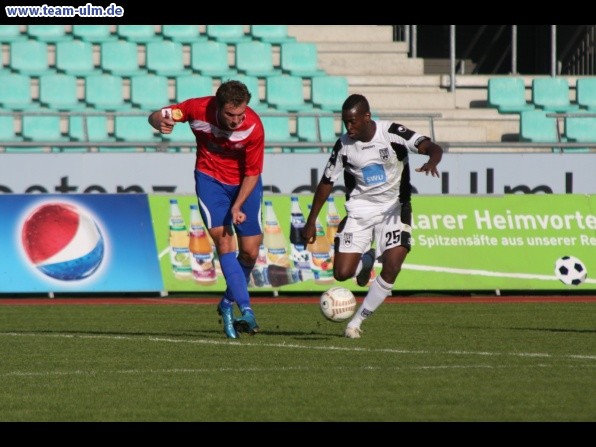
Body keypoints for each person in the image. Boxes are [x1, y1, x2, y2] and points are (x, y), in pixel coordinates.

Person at [302, 94, 443, 339]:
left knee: (392, 266)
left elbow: (431, 146)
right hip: (360, 210)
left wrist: (432, 159)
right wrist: (311, 220)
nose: (349, 127)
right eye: (345, 122)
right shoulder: (343, 145)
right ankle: (366, 261)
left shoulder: (391, 133)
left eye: (353, 121)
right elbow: (326, 181)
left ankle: (355, 323)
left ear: (367, 116)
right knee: (342, 274)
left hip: (394, 209)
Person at [148, 80, 264, 339]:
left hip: (244, 184)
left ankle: (226, 304)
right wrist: (157, 121)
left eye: (240, 114)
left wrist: (237, 205)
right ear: (217, 106)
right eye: (230, 114)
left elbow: (253, 173)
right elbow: (158, 115)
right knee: (224, 243)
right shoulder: (196, 108)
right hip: (210, 181)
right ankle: (246, 310)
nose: (236, 121)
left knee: (250, 252)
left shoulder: (253, 127)